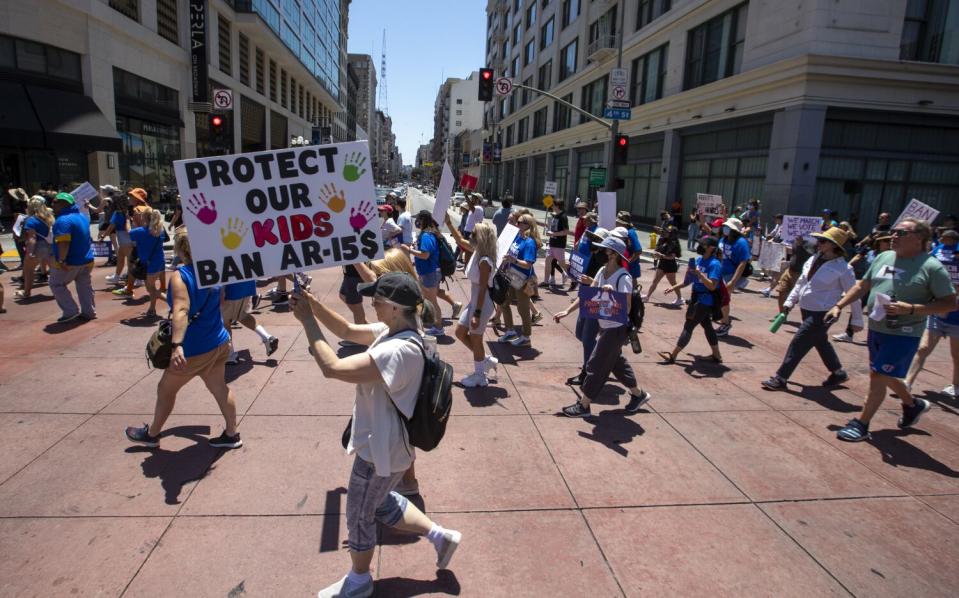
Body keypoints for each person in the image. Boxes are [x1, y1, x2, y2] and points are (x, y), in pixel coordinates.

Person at [290, 273, 461, 598]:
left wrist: (306, 322)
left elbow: (333, 368)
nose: (372, 303)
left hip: (379, 450)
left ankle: (359, 581)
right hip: (392, 447)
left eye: (378, 300)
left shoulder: (397, 351)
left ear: (395, 308)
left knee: (359, 514)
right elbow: (347, 331)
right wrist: (311, 303)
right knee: (381, 503)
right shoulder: (399, 330)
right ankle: (441, 536)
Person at [829, 218, 957, 442]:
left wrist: (912, 309)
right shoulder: (883, 257)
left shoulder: (931, 267)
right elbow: (862, 285)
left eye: (901, 232)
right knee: (880, 373)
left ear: (918, 238)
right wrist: (839, 305)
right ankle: (912, 405)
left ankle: (861, 423)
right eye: (894, 232)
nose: (894, 235)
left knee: (879, 374)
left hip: (905, 332)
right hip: (878, 328)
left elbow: (949, 303)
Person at [125, 227, 240, 449]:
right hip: (219, 341)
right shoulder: (213, 269)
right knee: (220, 388)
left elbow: (181, 311)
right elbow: (222, 300)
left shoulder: (181, 276)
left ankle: (152, 434)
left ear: (180, 248)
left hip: (194, 349)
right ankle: (231, 433)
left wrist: (177, 346)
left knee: (165, 389)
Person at [555, 235, 651, 417]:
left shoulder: (624, 277)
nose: (599, 252)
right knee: (616, 363)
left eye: (604, 250)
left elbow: (627, 306)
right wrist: (567, 311)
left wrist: (611, 293)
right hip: (605, 325)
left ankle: (583, 405)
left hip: (616, 328)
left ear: (613, 254)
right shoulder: (601, 271)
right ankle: (639, 395)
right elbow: (588, 295)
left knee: (596, 364)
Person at [761, 228, 861, 390]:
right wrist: (789, 302)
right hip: (806, 309)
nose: (818, 243)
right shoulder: (813, 259)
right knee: (820, 341)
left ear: (833, 245)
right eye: (819, 240)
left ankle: (781, 377)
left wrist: (856, 320)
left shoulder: (843, 268)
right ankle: (838, 372)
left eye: (823, 241)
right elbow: (801, 283)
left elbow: (854, 294)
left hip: (824, 313)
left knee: (799, 341)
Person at [445, 217, 499, 386]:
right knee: (460, 332)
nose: (471, 235)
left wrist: (477, 313)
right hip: (475, 302)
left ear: (481, 237)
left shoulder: (485, 261)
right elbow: (460, 240)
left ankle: (480, 376)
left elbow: (483, 288)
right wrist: (448, 223)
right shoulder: (477, 252)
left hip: (482, 304)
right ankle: (485, 360)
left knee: (476, 338)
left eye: (474, 233)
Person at [905, 228, 959, 398]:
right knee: (923, 348)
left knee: (956, 354)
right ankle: (907, 383)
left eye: (944, 236)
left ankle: (956, 385)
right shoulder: (937, 250)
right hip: (938, 309)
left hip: (956, 317)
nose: (940, 238)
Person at [658, 236, 723, 364]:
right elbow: (688, 281)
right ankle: (717, 355)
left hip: (705, 300)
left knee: (689, 326)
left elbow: (712, 286)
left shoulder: (715, 264)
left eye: (704, 245)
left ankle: (673, 355)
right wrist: (673, 287)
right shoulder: (698, 260)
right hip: (696, 298)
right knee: (707, 326)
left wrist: (700, 274)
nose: (701, 246)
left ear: (711, 248)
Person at [561, 225, 609, 385]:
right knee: (580, 334)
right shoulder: (592, 256)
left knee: (588, 339)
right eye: (592, 239)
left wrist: (592, 282)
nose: (593, 242)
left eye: (597, 240)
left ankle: (588, 372)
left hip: (597, 301)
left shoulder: (605, 261)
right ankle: (601, 358)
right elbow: (580, 275)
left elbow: (609, 286)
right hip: (586, 297)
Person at [833, 234, 891, 343]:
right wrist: (847, 266)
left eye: (889, 241)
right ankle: (849, 334)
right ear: (879, 243)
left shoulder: (891, 256)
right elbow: (858, 257)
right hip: (867, 285)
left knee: (877, 312)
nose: (889, 242)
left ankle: (875, 336)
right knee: (857, 305)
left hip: (880, 286)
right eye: (886, 240)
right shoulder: (869, 252)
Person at [49, 192, 96, 323]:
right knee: (84, 285)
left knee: (56, 284)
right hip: (86, 259)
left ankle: (70, 311)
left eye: (55, 202)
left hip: (71, 261)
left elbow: (64, 242)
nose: (52, 204)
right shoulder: (82, 217)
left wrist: (62, 259)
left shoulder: (63, 220)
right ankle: (89, 311)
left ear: (63, 203)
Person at [498, 213, 539, 348]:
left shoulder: (529, 242)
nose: (517, 224)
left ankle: (526, 337)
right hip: (512, 276)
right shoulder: (517, 237)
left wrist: (513, 260)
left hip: (524, 280)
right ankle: (510, 330)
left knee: (523, 309)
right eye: (518, 222)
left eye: (520, 222)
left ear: (528, 225)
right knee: (503, 302)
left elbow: (528, 264)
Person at [405, 210, 445, 336]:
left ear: (422, 220)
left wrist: (409, 250)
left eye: (418, 219)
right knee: (426, 299)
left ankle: (439, 328)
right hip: (428, 271)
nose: (416, 222)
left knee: (432, 301)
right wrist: (416, 261)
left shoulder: (427, 236)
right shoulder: (427, 234)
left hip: (430, 273)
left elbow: (425, 255)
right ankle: (431, 323)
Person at [221, 279, 280, 364]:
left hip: (229, 290)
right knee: (241, 315)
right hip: (247, 287)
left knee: (224, 322)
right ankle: (267, 337)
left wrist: (221, 292)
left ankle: (230, 356)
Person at [125, 207, 168, 314]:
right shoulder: (160, 230)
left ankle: (173, 302)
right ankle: (152, 309)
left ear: (144, 217)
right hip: (159, 262)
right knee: (151, 288)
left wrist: (127, 220)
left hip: (150, 264)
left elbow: (128, 232)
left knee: (151, 289)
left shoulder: (141, 231)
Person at [715, 217, 751, 336]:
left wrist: (733, 281)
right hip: (719, 272)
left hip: (730, 274)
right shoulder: (724, 239)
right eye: (725, 226)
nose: (725, 228)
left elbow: (742, 263)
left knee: (723, 299)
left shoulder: (741, 242)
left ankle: (725, 324)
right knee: (718, 298)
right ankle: (722, 319)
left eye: (728, 227)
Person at [15, 196, 54, 300]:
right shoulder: (50, 217)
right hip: (51, 246)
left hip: (39, 247)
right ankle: (59, 290)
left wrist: (30, 252)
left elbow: (32, 238)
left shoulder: (31, 220)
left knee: (28, 270)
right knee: (55, 271)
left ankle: (27, 292)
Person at [643, 225, 683, 305]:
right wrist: (655, 254)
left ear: (672, 234)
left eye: (668, 232)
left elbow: (672, 257)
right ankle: (647, 297)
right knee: (655, 281)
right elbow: (657, 250)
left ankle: (680, 298)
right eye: (665, 231)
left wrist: (660, 255)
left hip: (670, 265)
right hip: (662, 263)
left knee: (673, 283)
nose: (665, 232)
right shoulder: (663, 239)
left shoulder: (674, 243)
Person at [98, 194, 131, 286]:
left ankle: (123, 277)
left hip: (123, 237)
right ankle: (119, 276)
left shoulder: (117, 213)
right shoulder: (128, 212)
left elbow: (111, 227)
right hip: (130, 237)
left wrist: (102, 237)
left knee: (124, 259)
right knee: (125, 258)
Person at [542, 199, 570, 288]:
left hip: (559, 244)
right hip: (552, 243)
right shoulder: (555, 216)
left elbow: (566, 231)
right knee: (548, 260)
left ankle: (572, 277)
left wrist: (553, 234)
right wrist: (550, 233)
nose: (552, 207)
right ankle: (546, 281)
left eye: (553, 205)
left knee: (562, 264)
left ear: (557, 206)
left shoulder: (563, 217)